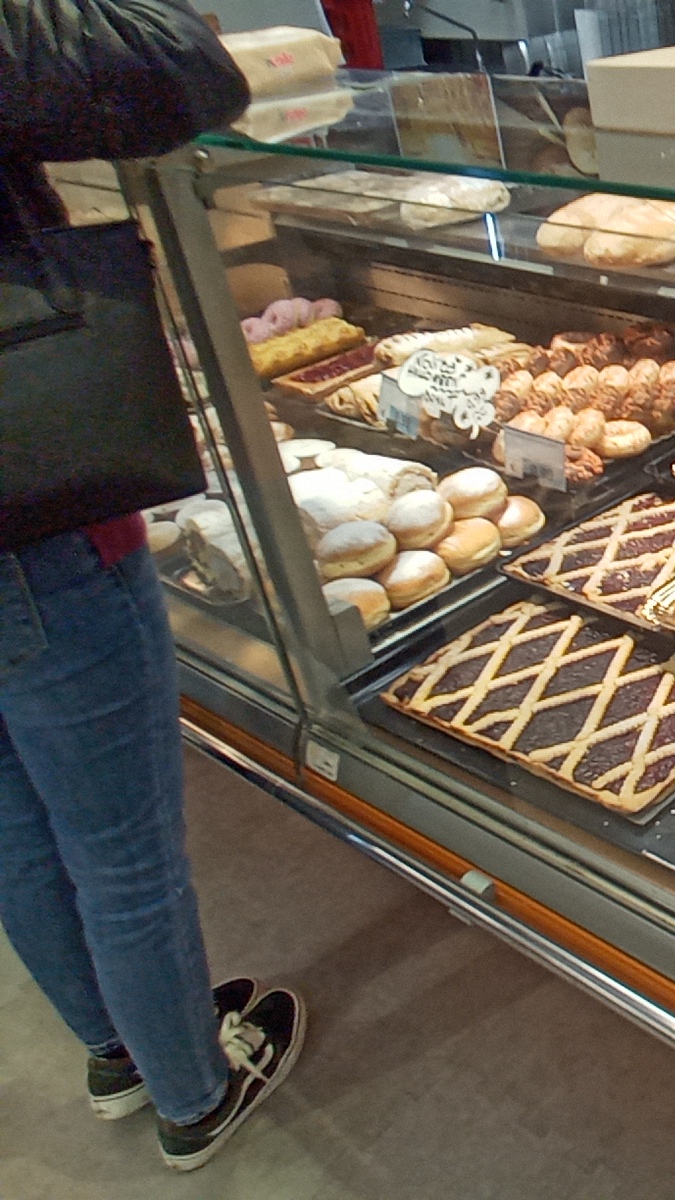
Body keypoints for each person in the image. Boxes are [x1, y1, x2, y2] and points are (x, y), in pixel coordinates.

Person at [0, 0, 305, 1171]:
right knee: (120, 845)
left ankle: (119, 1047)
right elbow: (176, 71)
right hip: (33, 502)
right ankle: (194, 1089)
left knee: (17, 822)